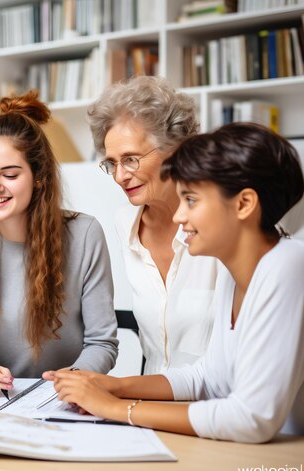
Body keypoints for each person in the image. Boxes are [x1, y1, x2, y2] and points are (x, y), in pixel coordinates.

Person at [44, 122, 304, 443]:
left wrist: (115, 408)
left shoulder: (288, 266)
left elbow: (251, 418)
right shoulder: (234, 273)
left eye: (191, 201)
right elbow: (207, 377)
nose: (179, 217)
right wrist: (112, 385)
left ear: (244, 204)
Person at [0, 90, 118, 394]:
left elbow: (102, 342)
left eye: (9, 175)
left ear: (38, 177)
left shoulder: (85, 234)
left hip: (66, 397)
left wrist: (72, 381)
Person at [86, 76, 218, 374]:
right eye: (112, 163)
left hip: (211, 409)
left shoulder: (219, 221)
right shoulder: (125, 222)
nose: (120, 176)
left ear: (175, 149)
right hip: (152, 401)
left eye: (131, 159)